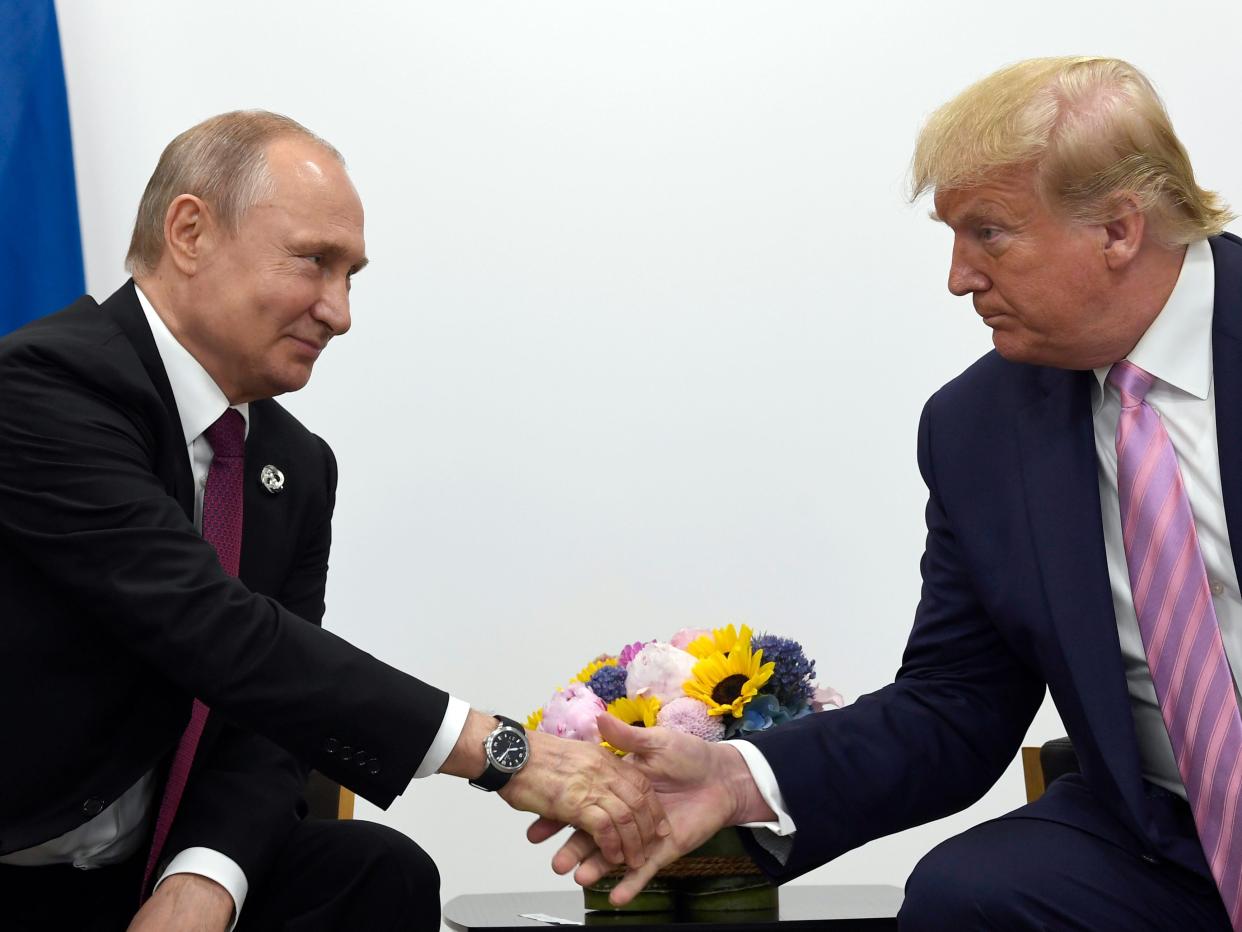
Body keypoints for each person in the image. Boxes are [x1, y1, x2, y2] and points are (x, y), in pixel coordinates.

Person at [543, 57, 1242, 930]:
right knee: (969, 897)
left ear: (1118, 227)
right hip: (1164, 841)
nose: (959, 276)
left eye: (989, 232)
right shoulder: (976, 429)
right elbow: (955, 703)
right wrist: (738, 777)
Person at [0, 111, 666, 932]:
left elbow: (270, 718)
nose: (340, 311)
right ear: (190, 232)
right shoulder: (41, 388)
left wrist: (204, 880)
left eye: (352, 275)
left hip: (140, 871)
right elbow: (214, 629)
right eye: (316, 263)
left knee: (376, 875)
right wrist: (500, 753)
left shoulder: (294, 465)